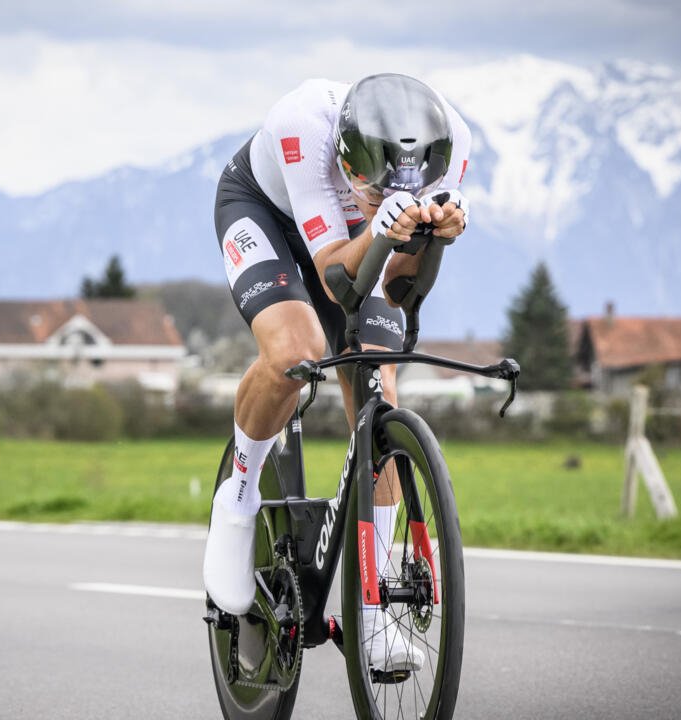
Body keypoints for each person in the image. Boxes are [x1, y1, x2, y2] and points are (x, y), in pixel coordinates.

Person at [202, 73, 471, 672]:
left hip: (355, 237)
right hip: (266, 213)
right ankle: (238, 501)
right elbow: (334, 278)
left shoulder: (452, 141)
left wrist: (435, 241)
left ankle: (371, 609)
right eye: (370, 191)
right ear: (349, 164)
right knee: (295, 352)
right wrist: (377, 224)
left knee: (379, 377)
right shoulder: (306, 126)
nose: (381, 199)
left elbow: (397, 289)